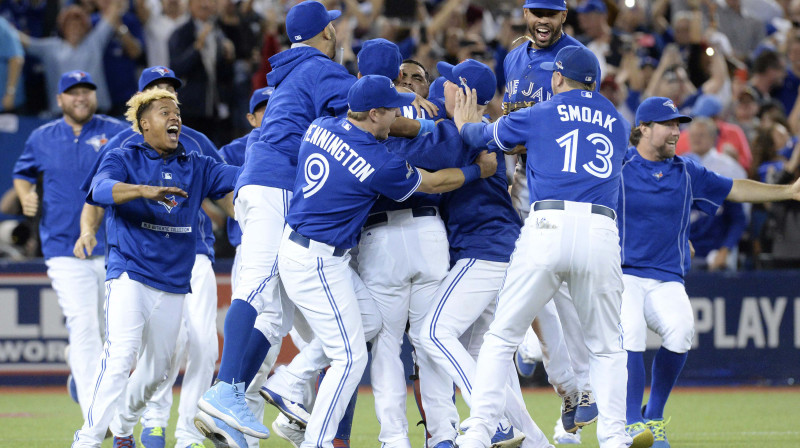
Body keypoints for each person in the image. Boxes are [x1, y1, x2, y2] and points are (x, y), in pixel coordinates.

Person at [277, 73, 497, 448]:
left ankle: (292, 379)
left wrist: (422, 122)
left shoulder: (320, 126)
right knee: (349, 359)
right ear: (374, 113)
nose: (400, 116)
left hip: (304, 246)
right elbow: (434, 184)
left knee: (374, 325)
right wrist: (478, 169)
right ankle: (313, 433)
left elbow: (389, 128)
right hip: (318, 259)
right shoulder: (377, 162)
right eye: (393, 110)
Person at [454, 45, 632, 448]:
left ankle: (478, 432)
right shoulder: (618, 123)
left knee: (500, 337)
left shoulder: (541, 113)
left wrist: (465, 124)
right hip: (599, 228)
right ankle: (615, 438)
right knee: (606, 347)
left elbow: (486, 136)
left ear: (556, 78)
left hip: (547, 222)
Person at [199, 1, 355, 439]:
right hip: (277, 184)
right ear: (326, 32)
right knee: (258, 284)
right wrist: (413, 107)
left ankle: (231, 396)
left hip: (266, 184)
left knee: (278, 310)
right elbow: (366, 107)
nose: (337, 33)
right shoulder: (320, 67)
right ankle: (225, 389)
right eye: (334, 26)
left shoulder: (294, 68)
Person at [620, 95, 800, 448]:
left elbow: (736, 189)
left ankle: (653, 416)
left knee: (682, 331)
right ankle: (630, 422)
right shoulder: (617, 166)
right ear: (643, 128)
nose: (676, 131)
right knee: (631, 334)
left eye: (677, 125)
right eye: (668, 124)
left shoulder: (687, 171)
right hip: (624, 273)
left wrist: (788, 191)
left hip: (667, 275)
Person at [70, 88, 239, 448]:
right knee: (120, 356)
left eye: (176, 111)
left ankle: (124, 422)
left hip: (174, 282)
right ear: (144, 124)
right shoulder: (123, 156)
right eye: (165, 112)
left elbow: (238, 177)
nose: (174, 117)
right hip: (130, 272)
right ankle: (86, 439)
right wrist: (142, 191)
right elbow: (99, 191)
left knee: (158, 370)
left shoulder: (196, 164)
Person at [415, 59, 549, 448]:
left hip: (484, 251)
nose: (443, 86)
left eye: (452, 83)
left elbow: (413, 143)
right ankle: (537, 443)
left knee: (433, 332)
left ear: (468, 94)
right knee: (487, 361)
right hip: (504, 250)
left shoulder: (459, 135)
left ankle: (490, 421)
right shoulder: (479, 132)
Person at [502, 0, 599, 441]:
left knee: (562, 299)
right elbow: (508, 121)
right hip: (521, 178)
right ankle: (574, 394)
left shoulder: (576, 60)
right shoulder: (513, 57)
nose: (543, 20)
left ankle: (581, 392)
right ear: (526, 13)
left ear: (563, 17)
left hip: (555, 185)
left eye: (551, 13)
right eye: (535, 11)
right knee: (539, 295)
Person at [12, 70, 127, 417]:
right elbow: (22, 173)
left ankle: (81, 376)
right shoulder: (42, 136)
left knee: (114, 332)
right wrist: (25, 194)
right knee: (84, 324)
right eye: (72, 92)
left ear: (94, 96)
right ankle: (96, 412)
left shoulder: (117, 131)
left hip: (113, 247)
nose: (81, 97)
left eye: (86, 91)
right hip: (63, 247)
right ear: (60, 100)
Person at [17, 3, 125, 114]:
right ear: (63, 27)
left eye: (79, 25)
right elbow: (24, 42)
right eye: (70, 24)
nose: (75, 28)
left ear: (85, 28)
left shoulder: (94, 42)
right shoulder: (51, 47)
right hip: (63, 113)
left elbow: (113, 12)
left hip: (95, 112)